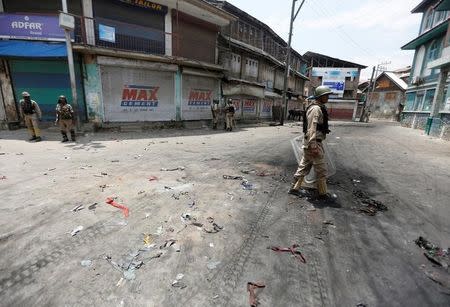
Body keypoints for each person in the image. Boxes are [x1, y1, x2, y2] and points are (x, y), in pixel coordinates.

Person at [289, 85, 333, 200]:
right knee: (321, 170)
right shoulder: (316, 109)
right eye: (326, 95)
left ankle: (294, 188)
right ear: (320, 96)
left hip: (311, 143)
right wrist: (313, 145)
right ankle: (323, 194)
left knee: (303, 167)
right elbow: (312, 128)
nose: (328, 97)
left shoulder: (317, 107)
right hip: (313, 144)